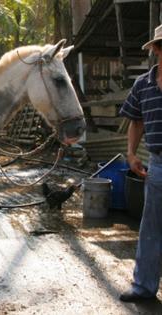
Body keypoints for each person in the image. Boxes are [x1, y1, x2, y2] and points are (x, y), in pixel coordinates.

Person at [119, 24, 162, 302]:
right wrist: (132, 154)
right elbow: (136, 121)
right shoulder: (142, 84)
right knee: (151, 228)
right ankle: (144, 287)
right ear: (157, 50)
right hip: (157, 164)